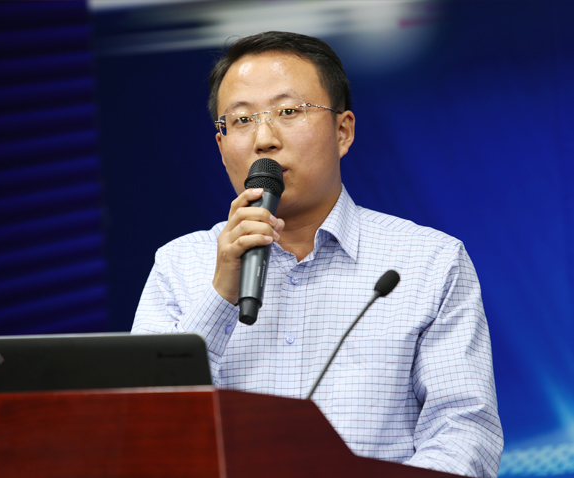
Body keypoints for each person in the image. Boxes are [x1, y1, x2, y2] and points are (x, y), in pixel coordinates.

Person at [132, 31, 503, 477]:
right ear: (221, 147)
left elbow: (465, 433)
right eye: (242, 120)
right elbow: (140, 429)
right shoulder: (178, 265)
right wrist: (220, 295)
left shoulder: (429, 261)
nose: (264, 139)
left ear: (342, 131)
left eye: (289, 112)